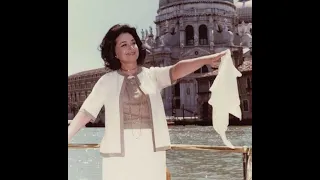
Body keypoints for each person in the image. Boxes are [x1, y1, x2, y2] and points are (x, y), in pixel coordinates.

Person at [68, 24, 226, 180]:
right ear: (114, 52)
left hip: (152, 150)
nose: (131, 48)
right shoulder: (106, 81)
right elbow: (86, 112)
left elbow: (177, 69)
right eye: (124, 45)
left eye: (133, 43)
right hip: (118, 154)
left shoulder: (153, 75)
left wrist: (207, 60)